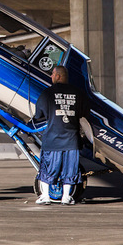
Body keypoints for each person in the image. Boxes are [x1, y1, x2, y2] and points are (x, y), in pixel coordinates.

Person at [32, 65, 89, 205]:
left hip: (52, 140)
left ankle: (45, 196)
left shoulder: (47, 93)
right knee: (70, 169)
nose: (51, 77)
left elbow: (38, 115)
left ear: (58, 76)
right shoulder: (79, 93)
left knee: (48, 168)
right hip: (72, 140)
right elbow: (84, 114)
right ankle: (66, 197)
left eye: (52, 74)